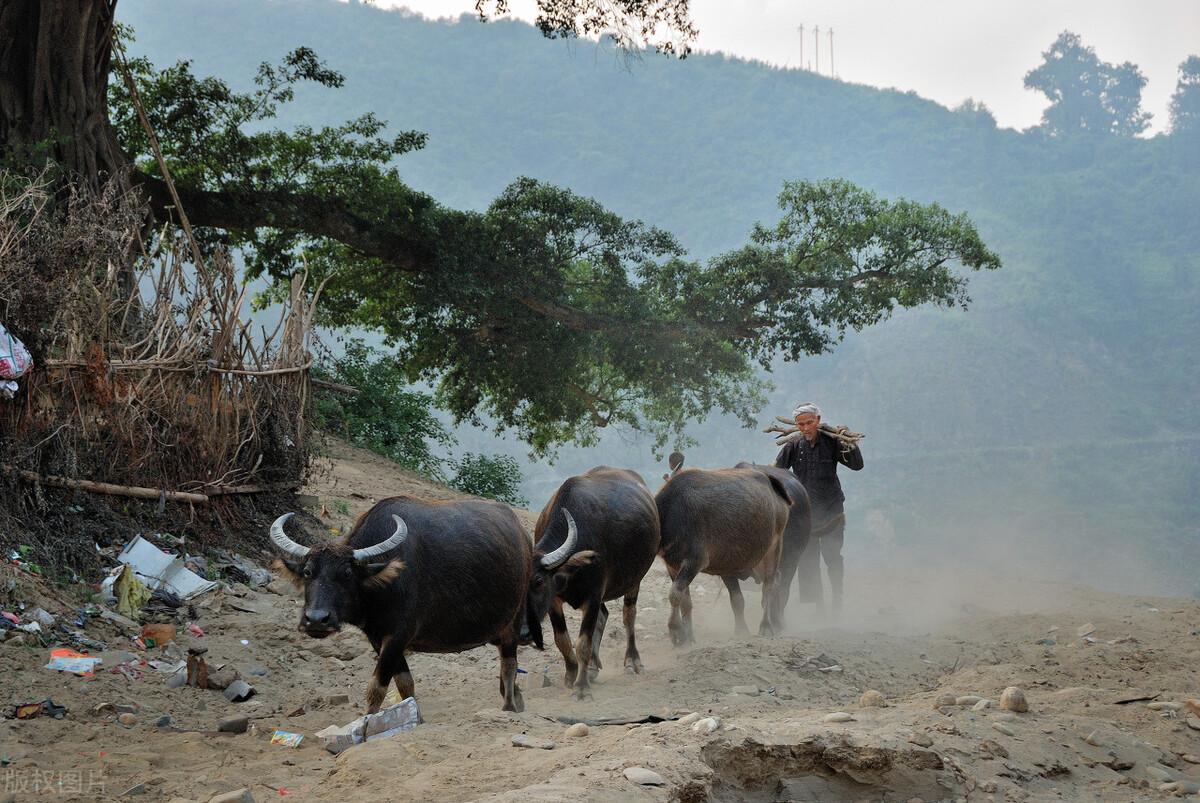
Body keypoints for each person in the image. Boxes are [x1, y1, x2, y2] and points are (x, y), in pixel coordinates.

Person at [773, 402, 864, 616]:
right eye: (801, 424)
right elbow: (777, 473)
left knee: (832, 556)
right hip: (804, 514)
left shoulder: (832, 442)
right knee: (807, 559)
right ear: (796, 425)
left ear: (818, 420)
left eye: (809, 422)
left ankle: (837, 600)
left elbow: (857, 465)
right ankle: (819, 607)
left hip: (832, 509)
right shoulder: (793, 446)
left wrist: (847, 441)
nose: (805, 428)